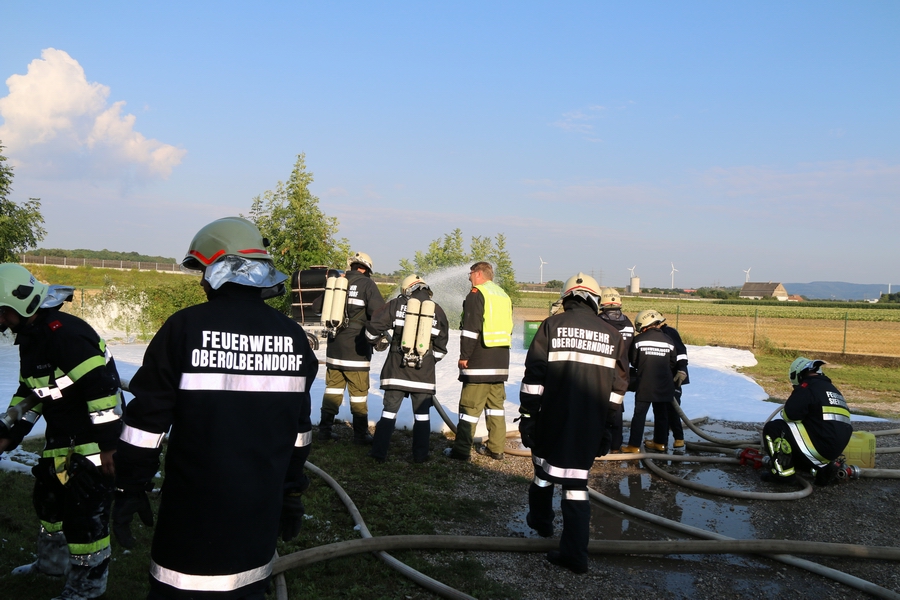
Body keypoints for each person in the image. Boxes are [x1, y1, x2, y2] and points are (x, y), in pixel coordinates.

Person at [112, 217, 318, 599]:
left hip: (190, 520)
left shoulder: (184, 328)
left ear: (220, 269)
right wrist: (291, 493)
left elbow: (145, 425)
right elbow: (299, 432)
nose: (202, 282)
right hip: (257, 516)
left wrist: (130, 485)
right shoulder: (293, 337)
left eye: (204, 272)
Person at [0, 263, 123, 600]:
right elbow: (32, 390)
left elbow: (102, 389)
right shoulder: (32, 336)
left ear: (20, 302)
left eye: (2, 312)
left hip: (93, 441)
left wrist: (110, 446)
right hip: (63, 437)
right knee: (50, 502)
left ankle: (87, 587)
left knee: (84, 515)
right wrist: (11, 431)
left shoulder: (65, 334)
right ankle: (52, 564)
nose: (1, 320)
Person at [519, 273, 628, 574]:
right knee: (576, 485)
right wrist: (608, 427)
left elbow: (534, 378)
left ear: (566, 298)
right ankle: (575, 555)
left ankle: (541, 522)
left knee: (543, 472)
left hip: (550, 420)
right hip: (589, 425)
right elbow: (618, 390)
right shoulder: (613, 336)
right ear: (595, 301)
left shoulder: (551, 326)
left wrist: (528, 417)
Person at [364, 274, 449, 463]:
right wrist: (426, 362)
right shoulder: (438, 311)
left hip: (396, 371)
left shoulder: (396, 304)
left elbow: (371, 329)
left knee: (389, 412)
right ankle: (420, 456)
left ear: (407, 289)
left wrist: (377, 341)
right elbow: (441, 349)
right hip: (423, 375)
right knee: (422, 416)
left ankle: (378, 453)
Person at [444, 261, 513, 461]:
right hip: (500, 363)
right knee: (496, 409)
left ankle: (461, 451)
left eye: (471, 273)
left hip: (480, 361)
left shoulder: (477, 294)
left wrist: (465, 356)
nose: (469, 277)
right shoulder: (503, 295)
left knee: (469, 408)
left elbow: (470, 329)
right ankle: (496, 449)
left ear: (479, 274)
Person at [317, 251, 386, 444]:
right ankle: (360, 435)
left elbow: (316, 307)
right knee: (358, 395)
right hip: (357, 350)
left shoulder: (336, 283)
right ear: (366, 269)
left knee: (333, 390)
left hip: (334, 349)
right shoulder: (367, 284)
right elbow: (379, 314)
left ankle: (324, 431)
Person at [761, 357, 852, 486]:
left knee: (774, 428)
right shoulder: (832, 389)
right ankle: (823, 470)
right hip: (832, 451)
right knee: (799, 435)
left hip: (819, 446)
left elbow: (790, 415)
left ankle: (783, 475)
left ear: (797, 375)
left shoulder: (807, 387)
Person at [622, 309, 677, 453]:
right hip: (664, 385)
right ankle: (660, 443)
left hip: (645, 384)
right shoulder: (668, 340)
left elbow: (634, 361)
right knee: (662, 415)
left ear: (644, 325)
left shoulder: (639, 340)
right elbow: (673, 362)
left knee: (639, 415)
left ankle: (634, 446)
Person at [597, 287, 634, 453]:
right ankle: (615, 446)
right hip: (621, 374)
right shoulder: (628, 324)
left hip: (601, 372)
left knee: (597, 408)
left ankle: (597, 445)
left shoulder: (598, 322)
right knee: (616, 408)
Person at [660, 316, 689, 450]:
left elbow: (681, 352)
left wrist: (682, 369)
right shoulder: (660, 333)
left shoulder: (669, 333)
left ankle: (678, 438)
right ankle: (662, 440)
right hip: (666, 376)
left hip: (675, 376)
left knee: (673, 409)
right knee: (664, 409)